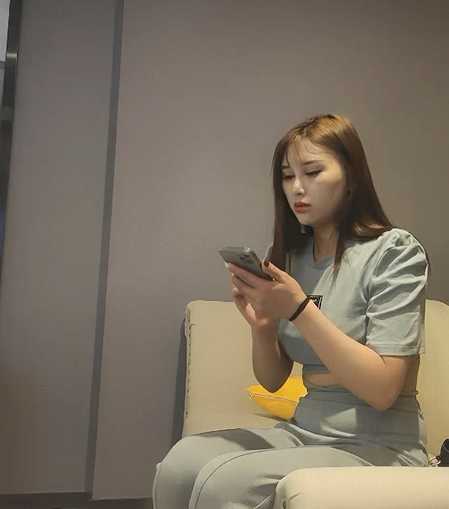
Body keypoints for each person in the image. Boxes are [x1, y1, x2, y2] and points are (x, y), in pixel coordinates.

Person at [152, 114, 430, 509]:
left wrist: (299, 309)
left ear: (352, 176)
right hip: (304, 430)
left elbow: (383, 390)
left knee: (227, 484)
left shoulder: (395, 252)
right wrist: (262, 328)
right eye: (287, 176)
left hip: (380, 444)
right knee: (179, 466)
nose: (297, 187)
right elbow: (273, 380)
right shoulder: (289, 256)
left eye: (312, 172)